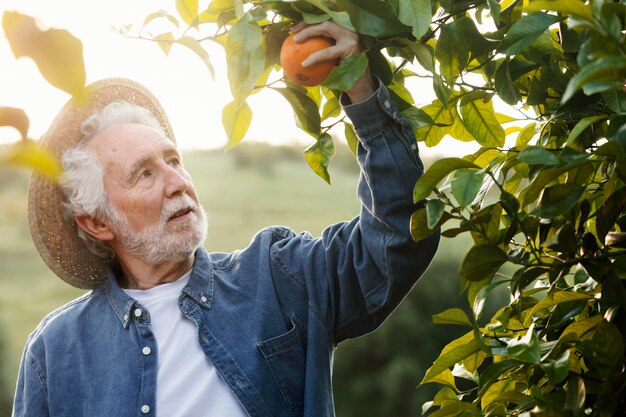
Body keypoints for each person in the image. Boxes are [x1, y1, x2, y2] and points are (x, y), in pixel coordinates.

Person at [14, 20, 439, 417]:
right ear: (98, 224)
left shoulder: (277, 277)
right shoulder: (54, 354)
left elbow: (399, 239)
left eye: (174, 160)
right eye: (144, 173)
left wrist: (360, 87)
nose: (177, 182)